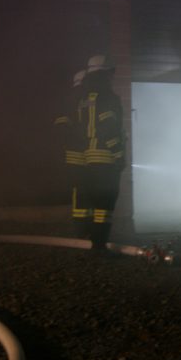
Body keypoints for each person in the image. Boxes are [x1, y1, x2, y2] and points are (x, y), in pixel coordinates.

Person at [75, 54, 126, 254]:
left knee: (93, 201)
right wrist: (118, 154)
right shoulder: (108, 97)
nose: (112, 77)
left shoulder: (84, 98)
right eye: (111, 73)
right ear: (106, 74)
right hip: (105, 158)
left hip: (88, 157)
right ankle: (99, 245)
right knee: (105, 204)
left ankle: (89, 239)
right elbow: (108, 128)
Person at [54, 69, 90, 238]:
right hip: (79, 154)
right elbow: (63, 128)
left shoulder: (73, 99)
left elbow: (61, 128)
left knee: (81, 191)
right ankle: (82, 230)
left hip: (79, 153)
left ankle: (83, 229)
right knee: (82, 190)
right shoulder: (79, 99)